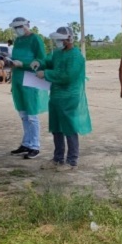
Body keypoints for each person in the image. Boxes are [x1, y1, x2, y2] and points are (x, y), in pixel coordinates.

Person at [35, 25, 91, 171]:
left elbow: (68, 76)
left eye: (60, 40)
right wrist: (39, 63)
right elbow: (48, 61)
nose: (58, 42)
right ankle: (58, 158)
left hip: (69, 96)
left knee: (69, 127)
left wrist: (46, 74)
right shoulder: (58, 54)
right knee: (56, 127)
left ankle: (72, 160)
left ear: (69, 39)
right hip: (56, 95)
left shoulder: (76, 56)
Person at [8, 17, 48, 159]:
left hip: (30, 78)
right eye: (15, 27)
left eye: (18, 27)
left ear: (26, 26)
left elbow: (41, 59)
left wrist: (23, 64)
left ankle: (35, 145)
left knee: (31, 114)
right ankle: (26, 143)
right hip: (18, 78)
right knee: (23, 114)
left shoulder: (35, 39)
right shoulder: (18, 41)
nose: (17, 30)